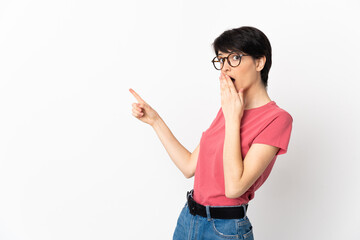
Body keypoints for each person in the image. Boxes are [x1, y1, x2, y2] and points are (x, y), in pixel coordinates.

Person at [129, 26, 293, 240]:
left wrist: (233, 118)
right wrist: (155, 121)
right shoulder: (228, 110)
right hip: (188, 219)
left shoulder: (277, 119)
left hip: (225, 230)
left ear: (259, 62)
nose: (225, 68)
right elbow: (189, 167)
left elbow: (234, 188)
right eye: (221, 60)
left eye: (234, 57)